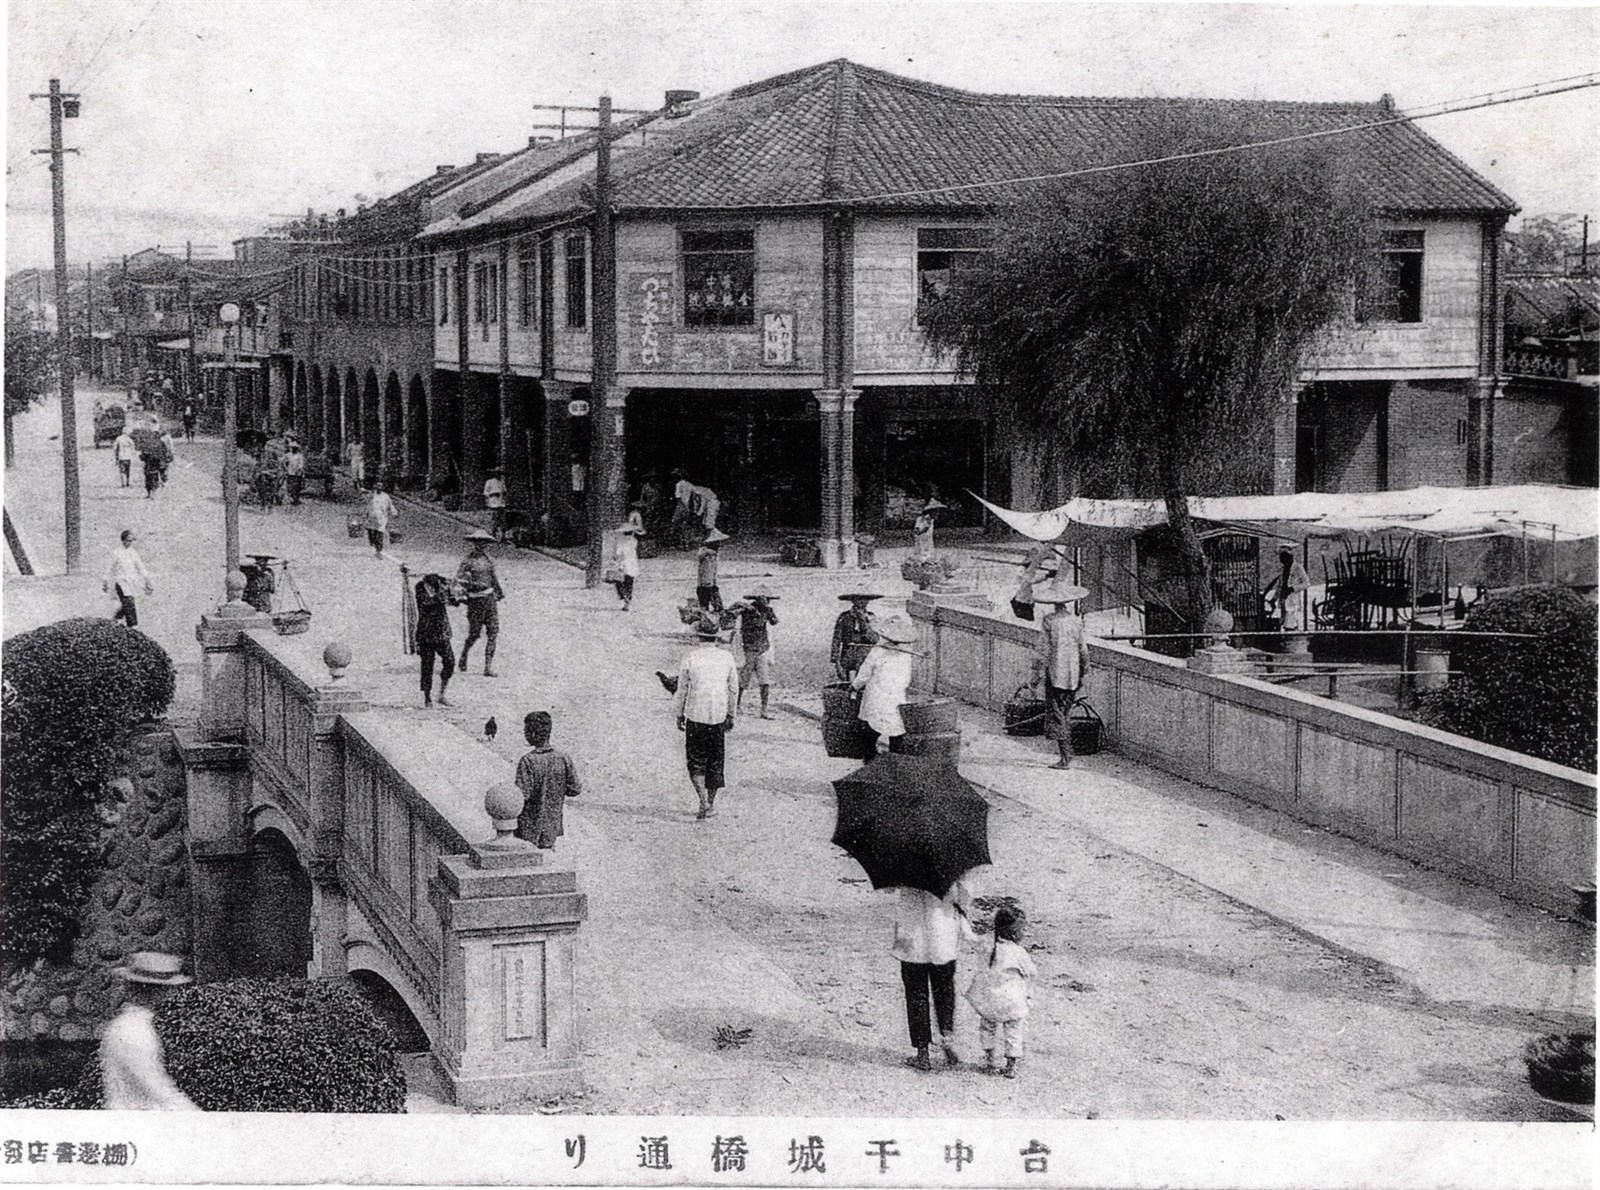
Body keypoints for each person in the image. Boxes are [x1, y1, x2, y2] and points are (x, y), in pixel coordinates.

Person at [893, 877, 977, 1072]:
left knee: (916, 995)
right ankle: (947, 1038)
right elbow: (965, 893)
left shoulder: (903, 864)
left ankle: (922, 1053)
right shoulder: (950, 864)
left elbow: (891, 889)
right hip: (943, 933)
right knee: (945, 990)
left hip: (911, 936)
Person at [100, 951, 198, 1110]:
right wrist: (204, 1119)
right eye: (170, 989)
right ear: (158, 991)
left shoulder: (132, 1024)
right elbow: (159, 1090)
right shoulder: (133, 1030)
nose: (175, 995)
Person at [671, 615, 740, 820]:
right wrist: (731, 714)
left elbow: (682, 689)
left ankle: (702, 799)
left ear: (699, 636)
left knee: (696, 760)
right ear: (716, 637)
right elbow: (733, 689)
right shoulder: (726, 657)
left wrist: (679, 713)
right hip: (718, 714)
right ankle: (710, 803)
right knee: (715, 760)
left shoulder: (691, 657)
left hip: (695, 714)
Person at [965, 905, 1037, 1079]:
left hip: (990, 1000)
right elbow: (1032, 972)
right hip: (1011, 1002)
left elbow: (980, 962)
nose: (1024, 933)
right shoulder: (1018, 952)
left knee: (987, 1026)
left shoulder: (989, 948)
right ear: (1014, 933)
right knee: (1013, 1030)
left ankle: (990, 1059)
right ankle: (1011, 1066)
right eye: (1022, 930)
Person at [1030, 580, 1091, 770]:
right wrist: (1084, 670)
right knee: (1065, 712)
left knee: (1057, 715)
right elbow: (1083, 649)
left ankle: (1065, 757)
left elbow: (1043, 649)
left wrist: (1036, 674)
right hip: (1073, 675)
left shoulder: (1049, 620)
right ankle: (1067, 754)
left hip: (1056, 674)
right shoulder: (1076, 620)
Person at [514, 711, 584, 850]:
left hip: (528, 827)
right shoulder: (563, 758)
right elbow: (575, 789)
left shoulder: (528, 760)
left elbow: (522, 796)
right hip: (552, 825)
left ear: (532, 734)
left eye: (525, 731)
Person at [851, 615, 918, 758]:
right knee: (896, 727)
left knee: (871, 727)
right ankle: (895, 758)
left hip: (877, 694)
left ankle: (870, 758)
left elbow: (865, 673)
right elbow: (907, 679)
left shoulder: (878, 651)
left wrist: (855, 686)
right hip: (896, 695)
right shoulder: (906, 655)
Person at [456, 530, 504, 677]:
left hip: (489, 599)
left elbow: (493, 578)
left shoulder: (489, 560)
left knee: (493, 632)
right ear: (474, 544)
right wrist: (462, 594)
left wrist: (499, 592)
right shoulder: (467, 561)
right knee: (474, 634)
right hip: (475, 601)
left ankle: (488, 667)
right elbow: (459, 580)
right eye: (478, 542)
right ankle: (464, 654)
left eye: (484, 543)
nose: (481, 545)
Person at [730, 584, 780, 719]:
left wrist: (768, 610)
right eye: (764, 599)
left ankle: (764, 709)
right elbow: (733, 612)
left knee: (764, 681)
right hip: (750, 649)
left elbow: (775, 621)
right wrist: (744, 607)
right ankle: (737, 706)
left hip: (761, 648)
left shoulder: (767, 610)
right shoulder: (747, 610)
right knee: (744, 679)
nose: (766, 601)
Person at [414, 572, 456, 708]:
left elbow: (454, 602)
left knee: (450, 662)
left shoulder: (440, 587)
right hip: (426, 634)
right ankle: (427, 698)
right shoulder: (420, 588)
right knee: (427, 667)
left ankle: (441, 694)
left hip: (442, 632)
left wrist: (452, 591)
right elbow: (428, 602)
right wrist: (445, 591)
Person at [103, 529, 153, 627]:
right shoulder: (117, 552)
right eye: (128, 540)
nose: (130, 543)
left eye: (131, 541)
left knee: (127, 603)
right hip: (120, 583)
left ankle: (115, 619)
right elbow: (109, 568)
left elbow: (140, 567)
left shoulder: (133, 552)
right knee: (129, 602)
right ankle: (132, 625)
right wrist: (105, 582)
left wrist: (147, 580)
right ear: (123, 540)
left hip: (131, 583)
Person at [831, 592, 883, 681]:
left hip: (866, 655)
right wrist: (836, 662)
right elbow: (836, 639)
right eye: (859, 599)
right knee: (850, 682)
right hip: (849, 655)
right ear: (853, 601)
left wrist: (862, 621)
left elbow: (874, 639)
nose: (863, 602)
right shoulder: (845, 617)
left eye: (866, 599)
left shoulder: (871, 617)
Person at [1264, 545, 1310, 634]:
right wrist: (1274, 598)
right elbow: (1280, 586)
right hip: (1283, 599)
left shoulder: (1298, 568)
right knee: (1284, 622)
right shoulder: (1283, 569)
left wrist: (1293, 588)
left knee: (1290, 622)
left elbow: (1306, 583)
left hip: (1292, 599)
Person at [610, 501, 645, 611]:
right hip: (632, 562)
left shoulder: (620, 541)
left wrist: (614, 559)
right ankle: (628, 601)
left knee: (619, 582)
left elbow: (617, 553)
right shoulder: (633, 540)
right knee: (629, 582)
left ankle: (624, 596)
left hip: (622, 563)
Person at [696, 528, 729, 611]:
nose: (719, 544)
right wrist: (712, 587)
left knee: (704, 609)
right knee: (718, 609)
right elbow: (708, 571)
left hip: (703, 585)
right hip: (708, 586)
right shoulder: (710, 555)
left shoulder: (705, 553)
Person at [365, 481, 395, 557]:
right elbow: (367, 504)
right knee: (372, 533)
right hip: (372, 516)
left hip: (381, 517)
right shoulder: (372, 495)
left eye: (380, 487)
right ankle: (374, 545)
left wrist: (393, 511)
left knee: (380, 533)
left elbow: (390, 505)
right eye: (377, 487)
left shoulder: (385, 496)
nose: (379, 489)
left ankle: (379, 550)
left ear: (382, 488)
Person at [912, 498, 947, 562]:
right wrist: (924, 529)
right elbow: (916, 532)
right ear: (931, 511)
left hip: (929, 547)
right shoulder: (921, 519)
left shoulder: (931, 520)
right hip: (921, 548)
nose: (938, 513)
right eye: (936, 511)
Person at [483, 467, 508, 540]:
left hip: (501, 502)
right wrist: (492, 494)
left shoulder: (502, 482)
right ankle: (493, 532)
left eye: (500, 473)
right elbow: (485, 492)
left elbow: (505, 490)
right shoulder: (489, 482)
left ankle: (503, 535)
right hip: (494, 502)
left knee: (502, 519)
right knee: (495, 518)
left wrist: (503, 494)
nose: (498, 475)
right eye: (497, 473)